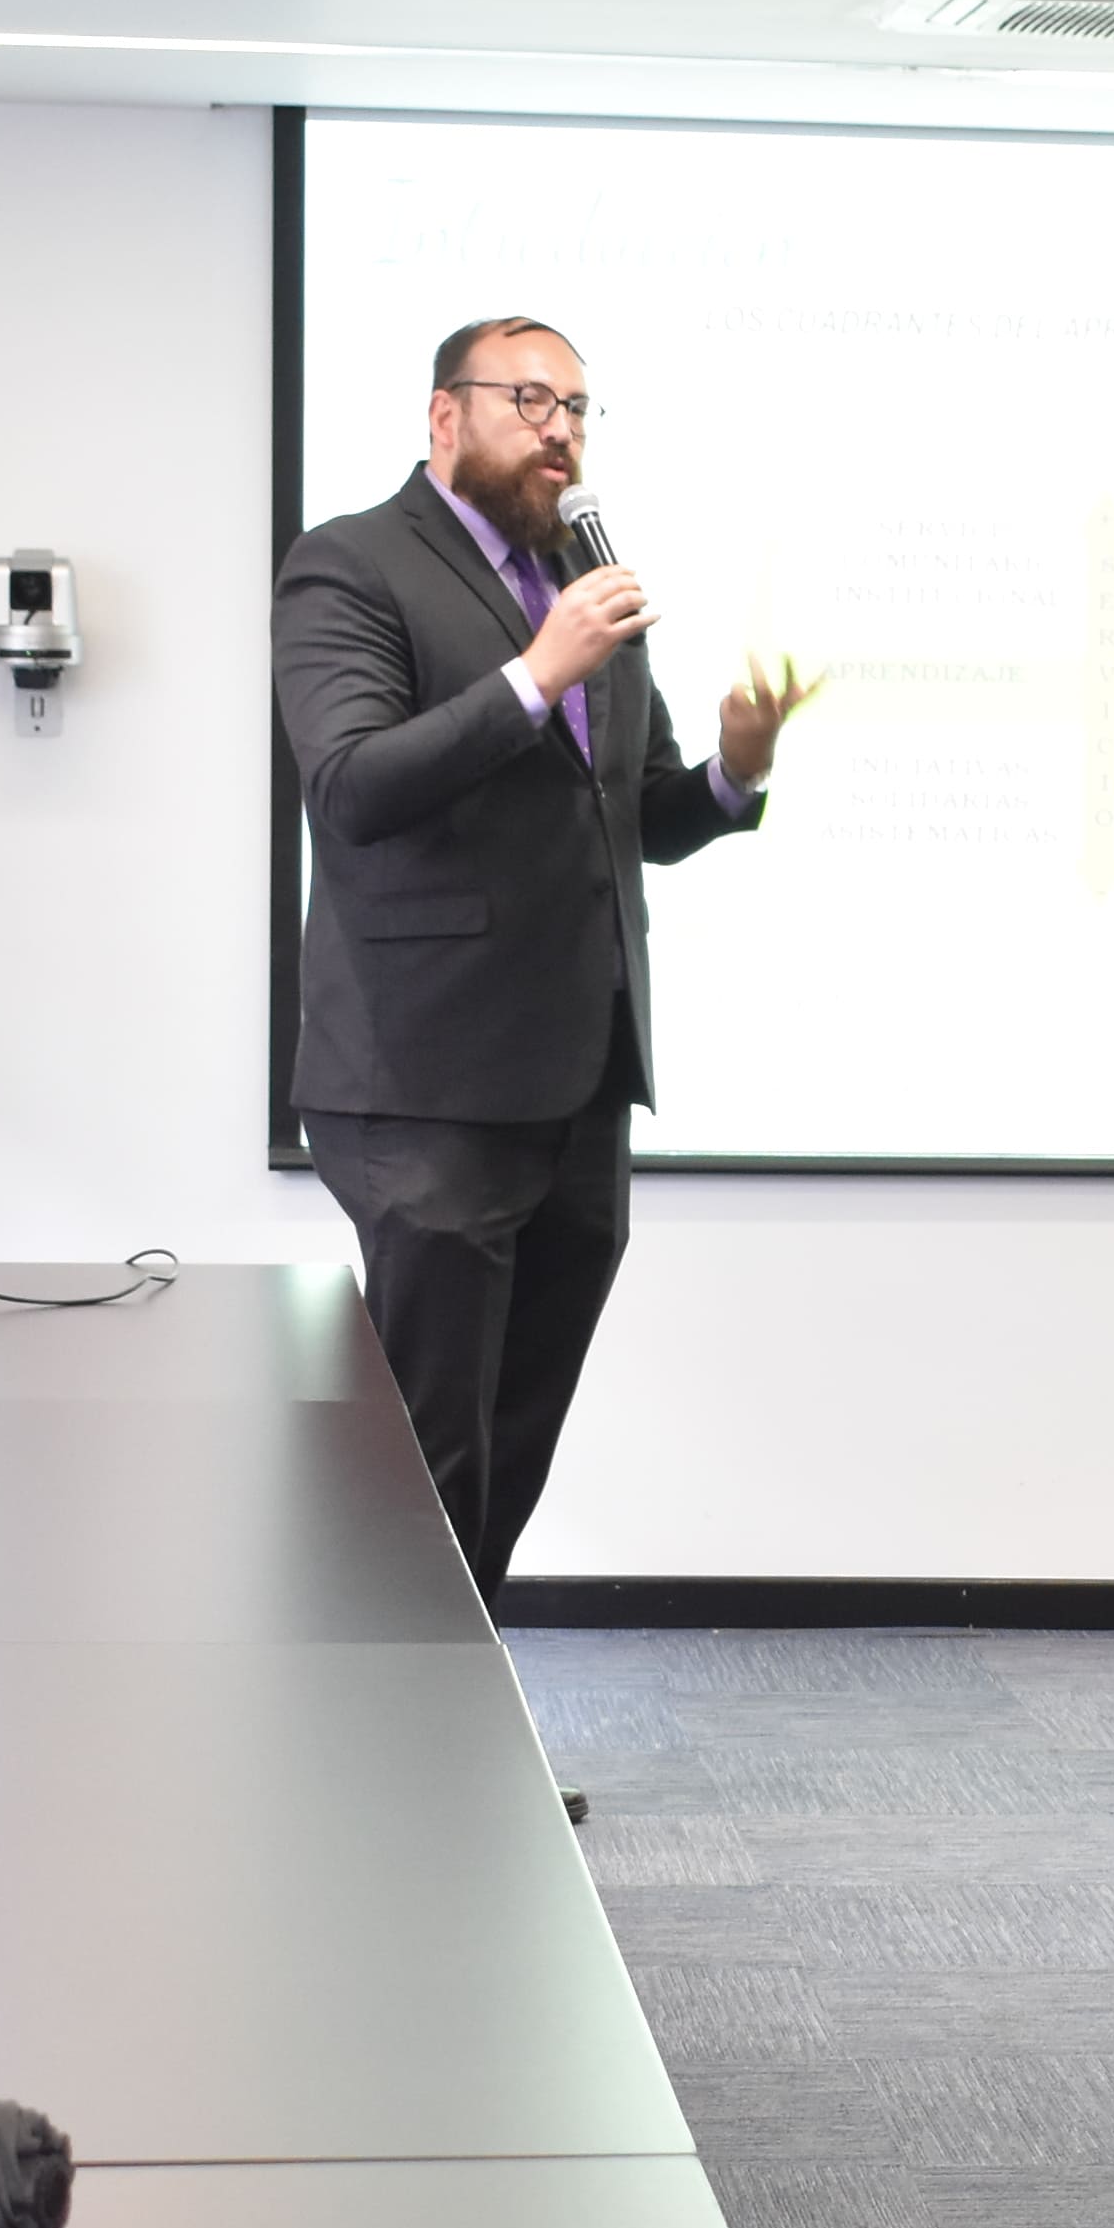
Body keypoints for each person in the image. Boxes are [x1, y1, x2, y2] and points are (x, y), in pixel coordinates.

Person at [274, 316, 817, 1587]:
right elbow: (352, 786)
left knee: (514, 1438)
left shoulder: (581, 577)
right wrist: (533, 674)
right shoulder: (349, 566)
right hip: (426, 1087)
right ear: (442, 417)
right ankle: (390, 1757)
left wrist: (736, 771)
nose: (561, 429)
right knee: (427, 1449)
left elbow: (643, 816)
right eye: (530, 399)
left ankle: (457, 1739)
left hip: (578, 1085)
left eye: (578, 407)